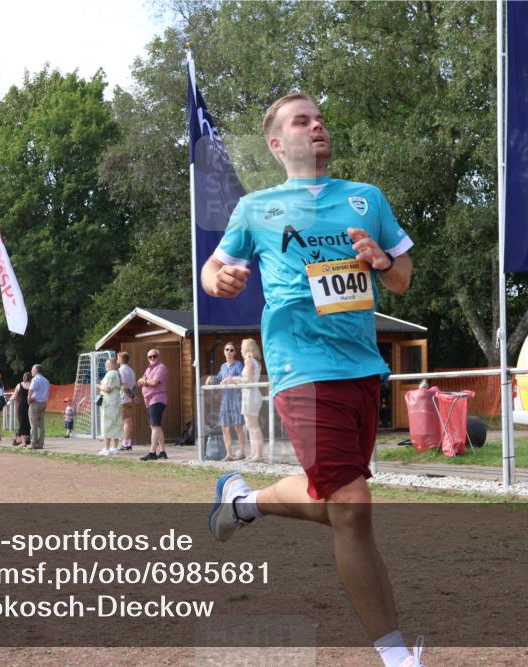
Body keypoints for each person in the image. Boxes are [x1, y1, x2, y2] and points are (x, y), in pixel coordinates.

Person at [200, 93, 418, 667]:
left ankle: (244, 502)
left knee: (339, 502)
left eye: (320, 117)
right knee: (352, 505)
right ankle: (397, 656)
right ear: (278, 144)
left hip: (363, 367)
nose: (317, 124)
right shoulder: (257, 208)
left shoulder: (365, 199)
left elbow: (402, 279)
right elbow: (212, 268)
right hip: (300, 364)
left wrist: (379, 259)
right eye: (303, 120)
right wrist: (218, 281)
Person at [205, 341, 246, 461]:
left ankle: (242, 452)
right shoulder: (223, 366)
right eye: (227, 349)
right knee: (225, 427)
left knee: (238, 426)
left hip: (236, 398)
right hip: (225, 399)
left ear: (235, 352)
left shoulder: (239, 365)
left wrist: (229, 379)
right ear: (224, 352)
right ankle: (229, 454)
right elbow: (218, 380)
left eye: (231, 350)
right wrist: (211, 378)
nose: (229, 352)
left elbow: (242, 379)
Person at [137, 349, 168, 461]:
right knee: (155, 426)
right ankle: (162, 452)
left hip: (157, 399)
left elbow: (154, 382)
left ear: (158, 356)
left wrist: (145, 382)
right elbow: (139, 381)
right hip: (149, 400)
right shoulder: (148, 369)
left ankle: (152, 452)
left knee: (154, 426)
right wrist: (144, 381)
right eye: (150, 357)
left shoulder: (161, 368)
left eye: (154, 356)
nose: (152, 358)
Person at [238, 338, 265, 462]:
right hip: (249, 394)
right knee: (250, 425)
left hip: (251, 394)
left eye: (242, 346)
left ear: (248, 348)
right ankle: (255, 453)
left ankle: (258, 454)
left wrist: (234, 379)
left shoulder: (249, 360)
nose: (241, 349)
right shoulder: (255, 361)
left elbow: (248, 380)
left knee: (253, 425)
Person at [98, 357, 123, 455]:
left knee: (107, 423)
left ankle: (107, 448)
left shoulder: (110, 374)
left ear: (111, 365)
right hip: (116, 400)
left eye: (107, 364)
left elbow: (108, 389)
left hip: (109, 402)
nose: (106, 366)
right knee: (116, 422)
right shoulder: (117, 374)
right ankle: (115, 447)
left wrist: (99, 386)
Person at [118, 351, 137, 451]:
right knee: (129, 421)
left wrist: (132, 397)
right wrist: (133, 397)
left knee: (125, 422)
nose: (117, 360)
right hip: (129, 399)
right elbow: (134, 386)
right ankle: (128, 443)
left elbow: (124, 387)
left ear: (121, 359)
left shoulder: (121, 370)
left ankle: (125, 444)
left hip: (123, 399)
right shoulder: (131, 370)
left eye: (118, 358)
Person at [27, 364, 50, 449]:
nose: (31, 371)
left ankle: (33, 443)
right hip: (43, 403)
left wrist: (29, 398)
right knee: (41, 425)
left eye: (32, 370)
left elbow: (31, 390)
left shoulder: (35, 379)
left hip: (35, 403)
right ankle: (40, 444)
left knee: (33, 424)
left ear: (36, 371)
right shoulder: (46, 380)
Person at [11, 372, 31, 446]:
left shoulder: (19, 385)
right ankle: (28, 438)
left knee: (22, 423)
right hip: (30, 405)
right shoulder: (32, 385)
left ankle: (23, 442)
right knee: (29, 422)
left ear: (23, 377)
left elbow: (14, 397)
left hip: (22, 406)